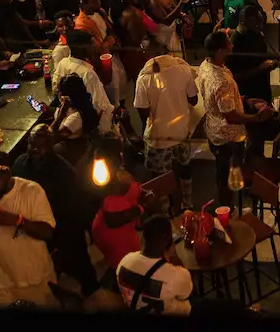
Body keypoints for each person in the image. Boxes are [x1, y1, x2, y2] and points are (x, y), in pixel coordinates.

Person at [0, 150, 57, 307]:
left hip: (35, 280)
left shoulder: (32, 191)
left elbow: (48, 232)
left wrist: (19, 220)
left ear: (9, 174)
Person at [12, 125, 97, 297]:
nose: (36, 151)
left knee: (82, 268)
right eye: (32, 145)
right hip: (35, 230)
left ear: (51, 146)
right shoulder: (20, 164)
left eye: (41, 147)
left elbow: (73, 213)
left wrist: (61, 244)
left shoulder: (65, 173)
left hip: (64, 232)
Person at [197, 30, 275, 197]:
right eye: (229, 43)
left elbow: (221, 100)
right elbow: (231, 116)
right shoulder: (220, 81)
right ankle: (228, 208)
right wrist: (257, 118)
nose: (232, 45)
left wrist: (246, 100)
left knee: (226, 171)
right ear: (220, 51)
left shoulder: (207, 65)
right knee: (228, 174)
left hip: (214, 129)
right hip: (227, 137)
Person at [134, 51, 200, 211]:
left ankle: (164, 207)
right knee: (185, 167)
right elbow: (194, 99)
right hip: (181, 132)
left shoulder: (144, 77)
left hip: (158, 136)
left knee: (159, 175)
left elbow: (142, 110)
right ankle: (187, 204)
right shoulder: (183, 69)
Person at [116, 215, 194, 315]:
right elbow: (187, 292)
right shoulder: (174, 275)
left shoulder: (124, 262)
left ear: (144, 237)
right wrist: (173, 255)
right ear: (168, 239)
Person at [90, 135, 143, 274]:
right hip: (116, 234)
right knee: (125, 269)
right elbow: (113, 221)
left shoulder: (114, 171)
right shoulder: (111, 180)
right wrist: (140, 208)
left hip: (122, 228)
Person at [52, 31, 114, 130]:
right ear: (81, 47)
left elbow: (55, 88)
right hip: (88, 125)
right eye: (91, 44)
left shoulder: (63, 63)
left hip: (67, 120)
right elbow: (100, 106)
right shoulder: (87, 73)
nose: (94, 47)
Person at [226, 4, 278, 104]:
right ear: (247, 23)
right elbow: (233, 77)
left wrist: (271, 57)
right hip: (249, 95)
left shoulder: (255, 33)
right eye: (257, 24)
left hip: (263, 87)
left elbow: (258, 53)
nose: (259, 27)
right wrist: (260, 69)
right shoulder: (234, 44)